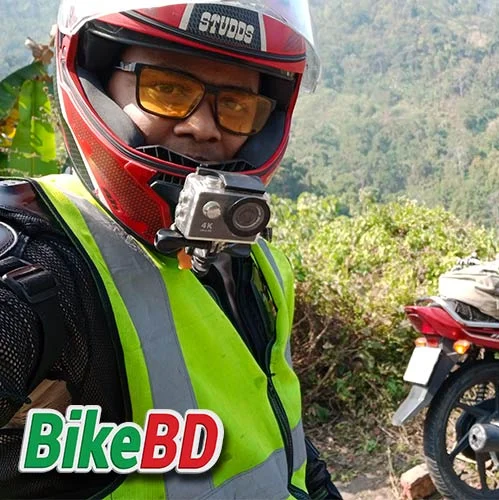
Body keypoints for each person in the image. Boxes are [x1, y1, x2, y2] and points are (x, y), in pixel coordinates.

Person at [0, 0, 341, 498]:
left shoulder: (257, 265)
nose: (203, 126)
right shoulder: (39, 260)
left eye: (237, 105)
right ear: (97, 80)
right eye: (167, 89)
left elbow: (278, 431)